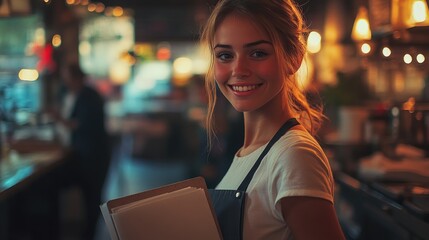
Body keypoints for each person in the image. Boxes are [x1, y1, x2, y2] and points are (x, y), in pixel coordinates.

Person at [200, 0, 346, 239]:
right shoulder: (249, 151)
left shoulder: (294, 155)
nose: (239, 69)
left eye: (258, 53)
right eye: (225, 55)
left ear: (294, 58)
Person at [48, 63, 111, 240]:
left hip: (93, 157)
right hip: (80, 155)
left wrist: (57, 118)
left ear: (76, 77)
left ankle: (88, 236)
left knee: (92, 201)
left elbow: (79, 125)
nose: (64, 80)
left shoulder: (90, 96)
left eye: (66, 76)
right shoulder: (71, 94)